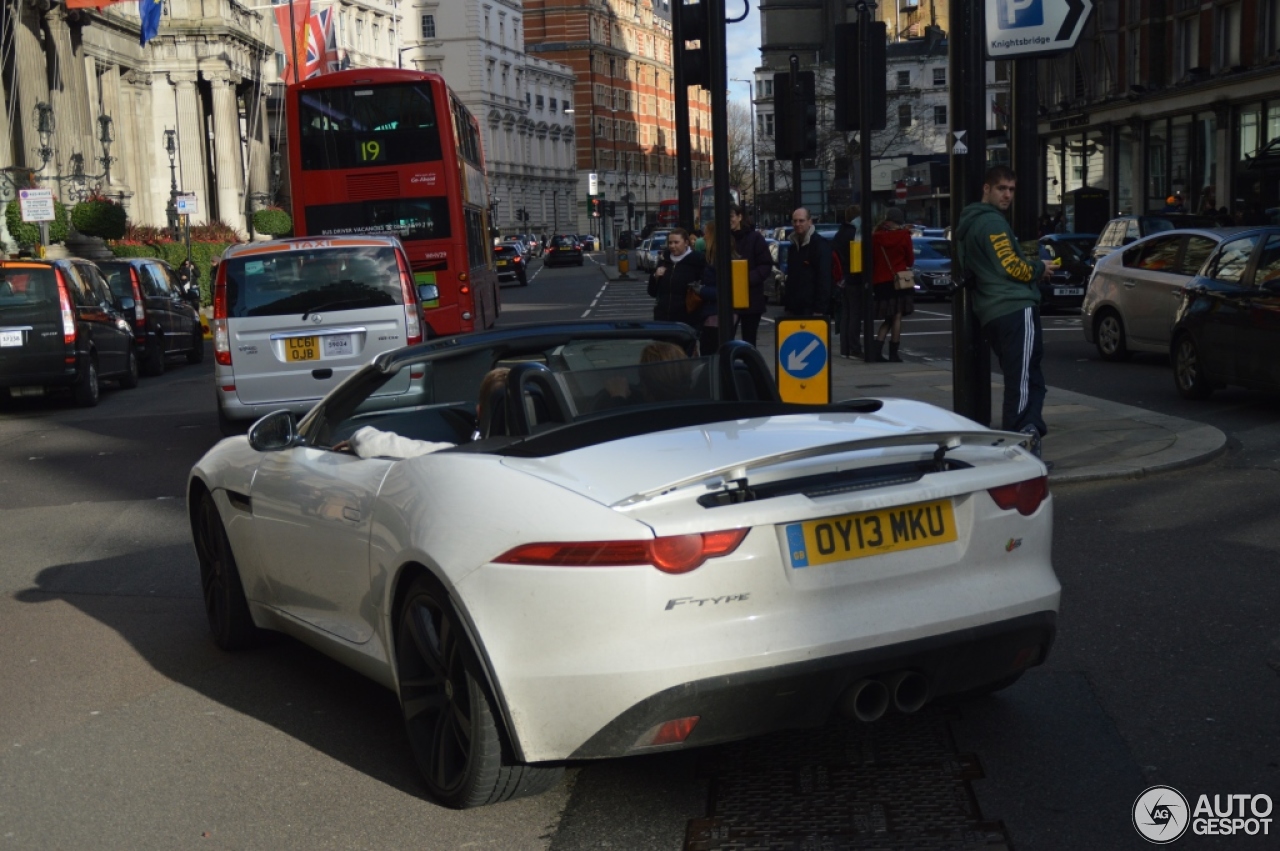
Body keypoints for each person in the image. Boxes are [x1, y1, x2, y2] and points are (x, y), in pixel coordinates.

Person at [954, 165, 1053, 458]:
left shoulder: (970, 224)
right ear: (986, 188)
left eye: (1011, 189)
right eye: (1001, 188)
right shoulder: (992, 223)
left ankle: (1027, 433)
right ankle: (1021, 445)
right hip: (1013, 306)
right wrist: (1039, 268)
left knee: (1026, 376)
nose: (1007, 194)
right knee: (1024, 379)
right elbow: (1010, 266)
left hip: (992, 310)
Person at [337, 367, 510, 458]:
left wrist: (352, 441)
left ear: (479, 412)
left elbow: (368, 443)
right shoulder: (536, 454)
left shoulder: (459, 455)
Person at [869, 207, 914, 363]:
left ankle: (877, 350)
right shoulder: (904, 236)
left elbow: (872, 260)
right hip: (898, 281)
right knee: (897, 317)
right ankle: (894, 352)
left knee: (888, 317)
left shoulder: (876, 237)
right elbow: (910, 261)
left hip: (880, 282)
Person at [647, 228, 707, 332]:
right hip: (663, 318)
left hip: (687, 318)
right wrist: (655, 276)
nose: (672, 246)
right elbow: (652, 292)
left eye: (676, 242)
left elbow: (703, 287)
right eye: (670, 243)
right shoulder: (664, 260)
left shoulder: (697, 260)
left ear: (686, 243)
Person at [729, 204, 772, 348]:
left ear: (740, 217)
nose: (729, 220)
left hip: (751, 298)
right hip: (728, 298)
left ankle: (748, 369)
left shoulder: (755, 238)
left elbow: (765, 265)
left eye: (731, 216)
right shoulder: (721, 238)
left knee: (749, 342)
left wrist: (745, 279)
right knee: (725, 341)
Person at [782, 207, 832, 317]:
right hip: (795, 309)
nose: (797, 224)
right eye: (795, 221)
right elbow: (791, 279)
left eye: (801, 220)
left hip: (812, 309)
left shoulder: (820, 246)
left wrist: (819, 309)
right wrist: (788, 306)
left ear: (810, 222)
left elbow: (824, 278)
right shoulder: (793, 247)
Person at [831, 205, 863, 357]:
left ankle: (845, 349)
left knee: (845, 314)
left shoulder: (839, 233)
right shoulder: (855, 233)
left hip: (842, 278)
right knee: (855, 313)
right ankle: (854, 347)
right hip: (854, 276)